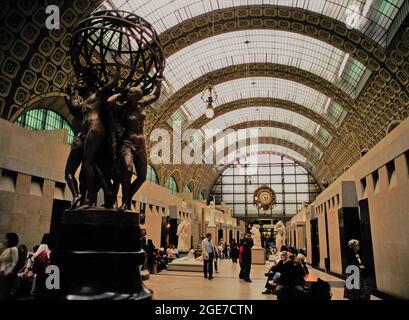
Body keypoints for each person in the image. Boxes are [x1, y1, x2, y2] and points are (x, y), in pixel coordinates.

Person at [0, 233, 19, 299]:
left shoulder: (14, 249)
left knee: (5, 293)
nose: (4, 240)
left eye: (6, 238)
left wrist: (9, 271)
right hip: (2, 272)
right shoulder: (7, 249)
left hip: (7, 274)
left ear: (10, 240)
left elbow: (15, 262)